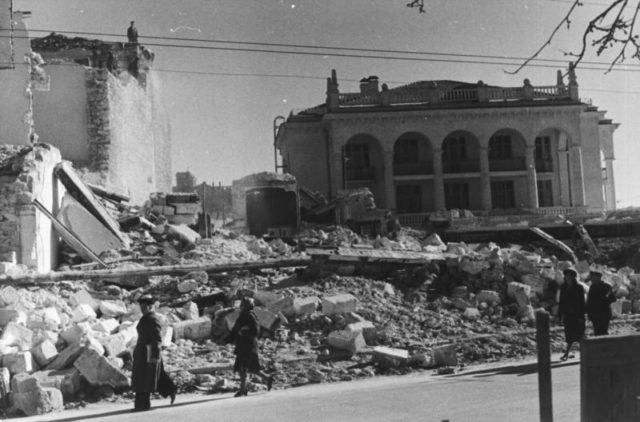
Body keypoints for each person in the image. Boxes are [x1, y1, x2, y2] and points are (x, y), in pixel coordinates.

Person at [131, 294, 176, 411]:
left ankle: (142, 405)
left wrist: (155, 355)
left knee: (143, 378)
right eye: (142, 306)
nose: (143, 308)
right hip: (143, 352)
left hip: (148, 353)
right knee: (155, 375)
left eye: (145, 306)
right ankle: (170, 390)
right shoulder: (146, 318)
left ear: (151, 306)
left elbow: (157, 338)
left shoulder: (152, 319)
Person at [226, 298, 273, 397]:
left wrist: (245, 330)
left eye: (243, 305)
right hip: (242, 345)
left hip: (249, 345)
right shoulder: (242, 316)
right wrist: (226, 340)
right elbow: (235, 330)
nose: (241, 306)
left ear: (247, 306)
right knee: (248, 367)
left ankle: (243, 389)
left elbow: (256, 330)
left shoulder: (251, 316)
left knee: (244, 367)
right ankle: (267, 378)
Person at [557, 268, 586, 361]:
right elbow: (561, 302)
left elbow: (582, 302)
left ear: (573, 278)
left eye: (569, 277)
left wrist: (582, 315)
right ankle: (566, 354)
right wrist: (560, 315)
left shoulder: (579, 288)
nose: (567, 278)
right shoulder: (563, 287)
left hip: (577, 315)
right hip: (568, 315)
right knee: (569, 336)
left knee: (580, 335)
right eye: (566, 277)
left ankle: (584, 354)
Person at [586, 270, 616, 335]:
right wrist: (588, 312)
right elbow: (590, 301)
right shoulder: (592, 287)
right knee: (597, 332)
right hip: (595, 314)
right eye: (591, 277)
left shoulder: (607, 287)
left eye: (592, 277)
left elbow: (612, 298)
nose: (591, 279)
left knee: (603, 332)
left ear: (598, 277)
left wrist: (604, 300)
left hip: (604, 314)